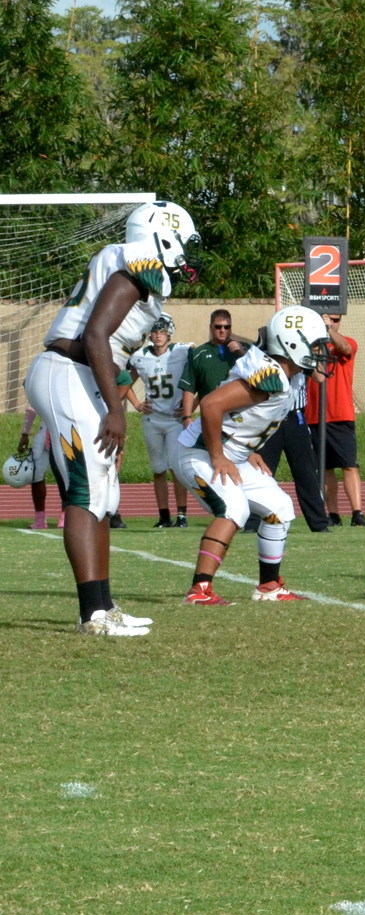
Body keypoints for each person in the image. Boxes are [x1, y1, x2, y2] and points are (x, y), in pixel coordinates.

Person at [24, 200, 197, 636]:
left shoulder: (129, 267)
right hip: (68, 372)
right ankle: (93, 615)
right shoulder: (130, 270)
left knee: (100, 491)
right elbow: (95, 334)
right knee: (86, 490)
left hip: (76, 374)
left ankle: (104, 605)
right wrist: (116, 408)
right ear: (163, 236)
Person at [175, 307, 329, 605]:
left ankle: (268, 585)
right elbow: (210, 405)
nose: (319, 352)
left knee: (280, 508)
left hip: (234, 453)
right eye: (314, 345)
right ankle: (199, 589)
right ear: (292, 344)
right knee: (234, 508)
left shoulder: (290, 375)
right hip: (200, 452)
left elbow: (253, 417)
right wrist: (219, 456)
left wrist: (250, 451)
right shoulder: (271, 375)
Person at [255, 322, 331, 535]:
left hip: (294, 418)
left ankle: (319, 523)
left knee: (306, 472)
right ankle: (252, 521)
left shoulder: (303, 356)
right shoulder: (269, 356)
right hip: (271, 419)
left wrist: (312, 352)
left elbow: (320, 377)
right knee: (262, 471)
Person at [128, 314, 190, 527]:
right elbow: (125, 381)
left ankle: (182, 515)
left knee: (176, 466)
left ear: (169, 333)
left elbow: (199, 373)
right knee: (158, 469)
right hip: (152, 419)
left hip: (174, 419)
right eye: (155, 331)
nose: (158, 335)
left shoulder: (182, 352)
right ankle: (164, 515)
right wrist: (136, 404)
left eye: (162, 331)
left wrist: (191, 404)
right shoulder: (140, 356)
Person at [309, 310, 365, 526]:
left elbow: (345, 348)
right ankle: (332, 513)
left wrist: (328, 330)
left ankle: (357, 512)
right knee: (325, 468)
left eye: (336, 320)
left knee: (349, 465)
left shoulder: (347, 342)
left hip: (341, 413)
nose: (333, 323)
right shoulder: (311, 346)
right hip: (314, 415)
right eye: (329, 319)